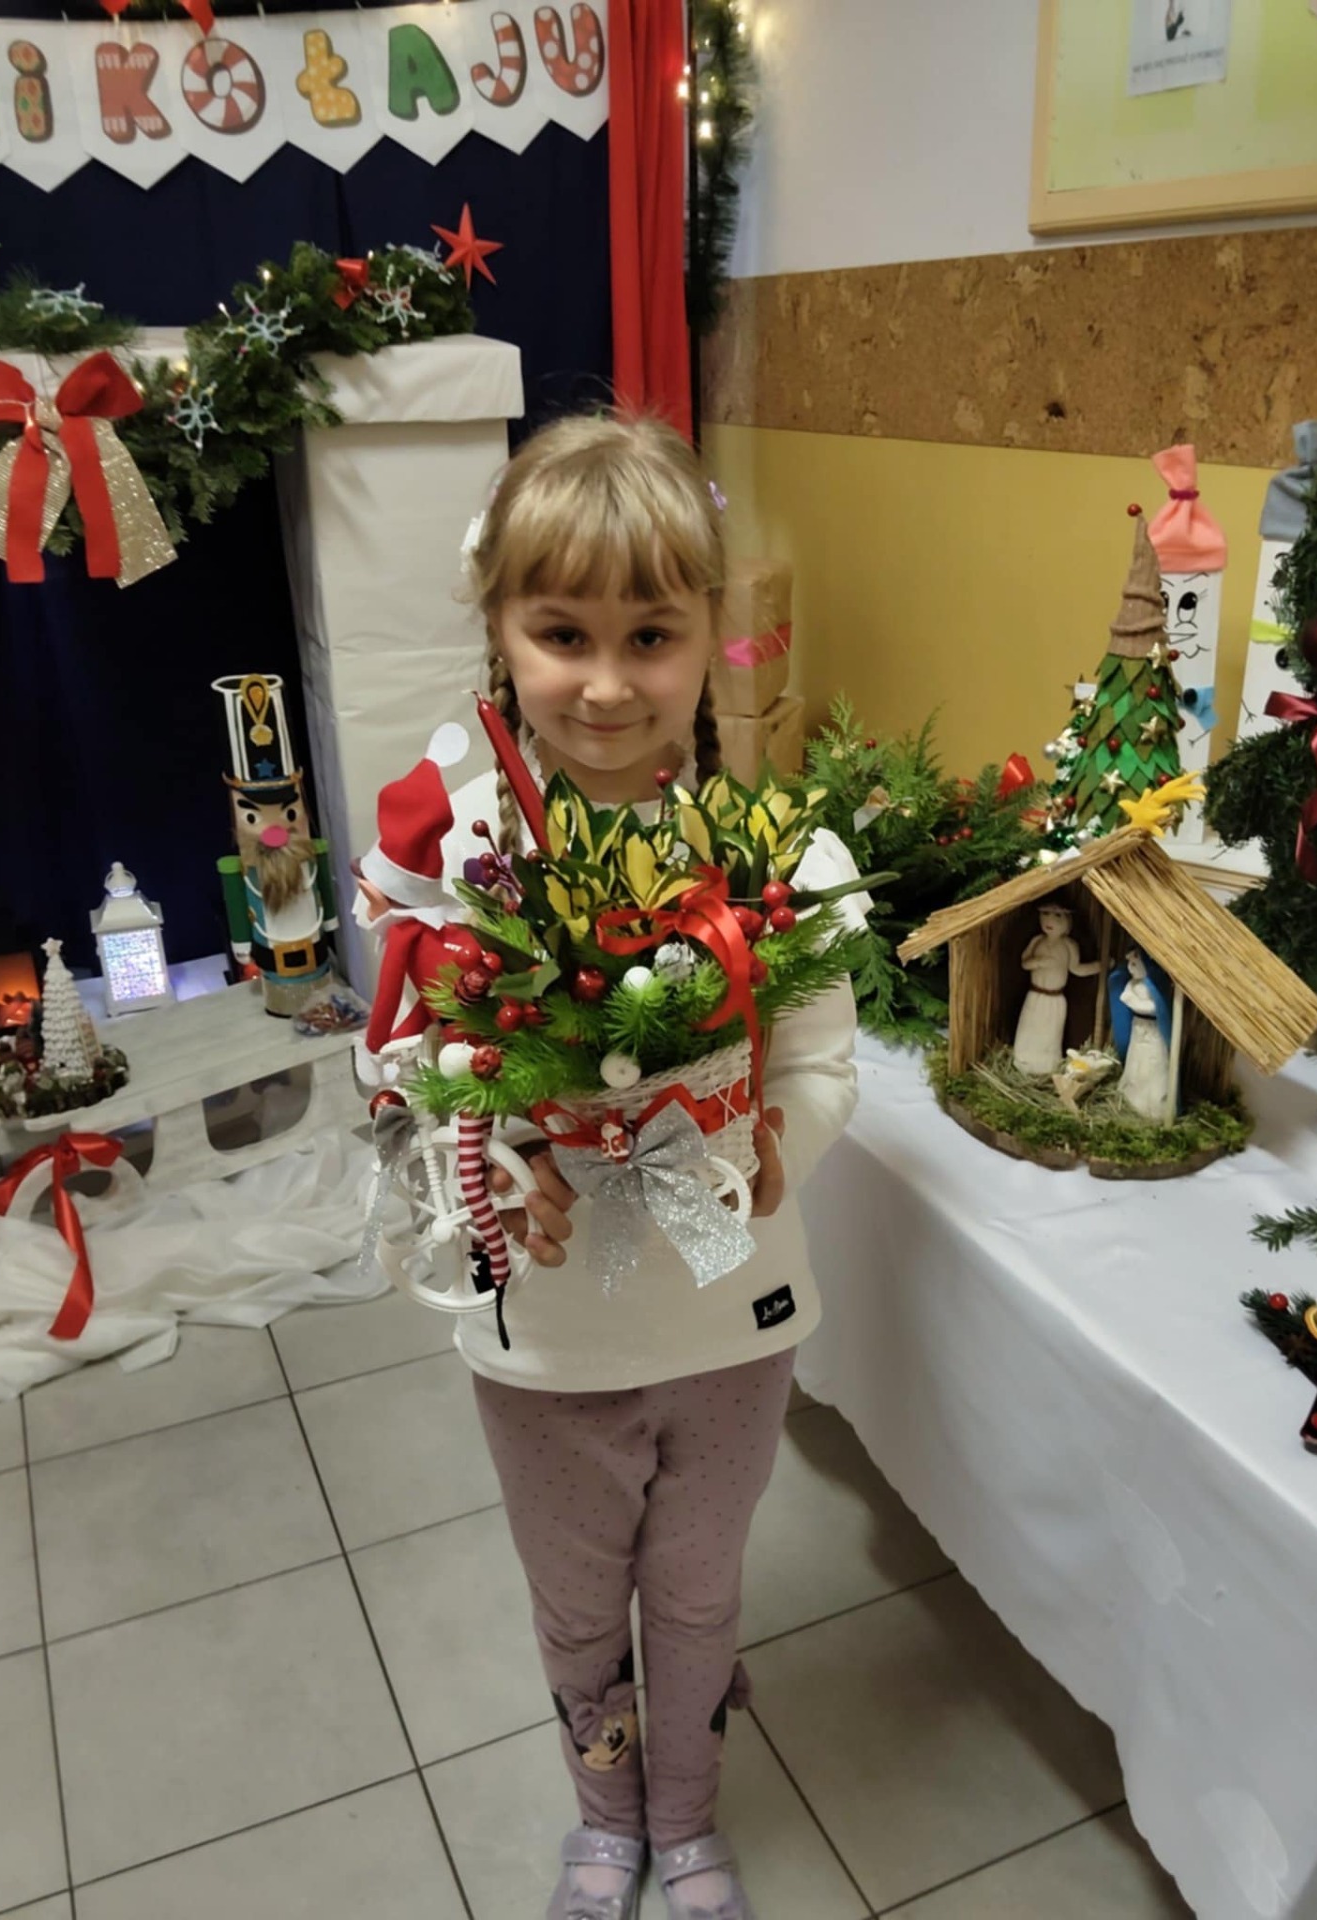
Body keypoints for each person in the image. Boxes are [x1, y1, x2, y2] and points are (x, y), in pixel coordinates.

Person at [413, 414, 864, 1920]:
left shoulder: (775, 856)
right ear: (499, 630)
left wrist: (781, 1146)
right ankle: (604, 1818)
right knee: (574, 1609)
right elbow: (414, 1072)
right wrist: (488, 1160)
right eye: (563, 634)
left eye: (650, 636)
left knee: (697, 1595)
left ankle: (687, 1817)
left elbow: (820, 1057)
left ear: (706, 635)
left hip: (731, 1323)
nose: (606, 684)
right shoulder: (458, 861)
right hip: (543, 1341)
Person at [1012, 902, 1099, 1077]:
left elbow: (1076, 969)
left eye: (1057, 916)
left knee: (1049, 1034)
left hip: (1054, 1000)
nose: (1049, 920)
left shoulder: (1068, 945)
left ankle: (1046, 1066)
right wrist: (1039, 962)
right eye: (1045, 914)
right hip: (1035, 996)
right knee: (1029, 1030)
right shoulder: (1037, 941)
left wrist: (1099, 966)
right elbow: (1025, 963)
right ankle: (1023, 1061)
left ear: (1067, 921)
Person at [1110, 946, 1175, 1121]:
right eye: (1129, 964)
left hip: (1153, 1030)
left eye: (1135, 964)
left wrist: (1136, 1003)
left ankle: (1153, 1104)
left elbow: (1155, 1007)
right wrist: (1134, 1001)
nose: (1130, 968)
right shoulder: (1132, 984)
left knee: (1153, 1063)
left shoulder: (1155, 985)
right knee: (1136, 1062)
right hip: (1138, 1027)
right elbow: (1125, 997)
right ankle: (1133, 1097)